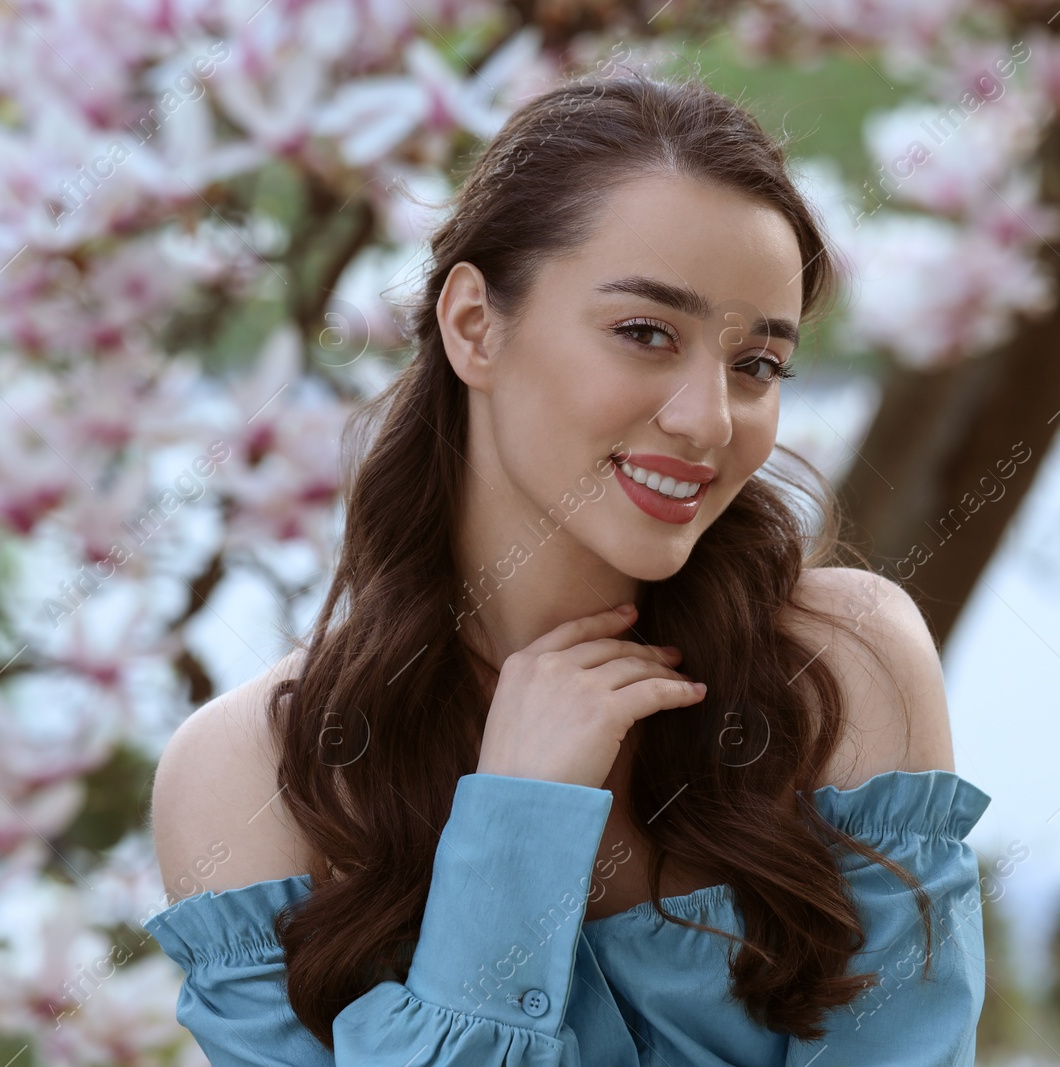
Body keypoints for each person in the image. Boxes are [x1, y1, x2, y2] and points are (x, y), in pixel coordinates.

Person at [144, 68, 993, 1066]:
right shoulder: (250, 776)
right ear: (473, 325)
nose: (706, 418)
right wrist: (518, 823)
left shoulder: (842, 666)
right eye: (644, 333)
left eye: (755, 364)